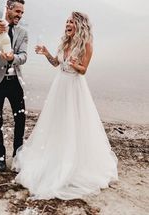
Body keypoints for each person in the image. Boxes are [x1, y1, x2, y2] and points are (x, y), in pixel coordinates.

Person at [12, 11, 118, 199]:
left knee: (74, 122)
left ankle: (73, 161)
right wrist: (46, 53)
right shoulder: (64, 42)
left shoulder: (86, 45)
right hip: (59, 86)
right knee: (56, 122)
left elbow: (83, 70)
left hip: (74, 87)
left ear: (80, 25)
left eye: (71, 22)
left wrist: (76, 65)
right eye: (67, 21)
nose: (67, 24)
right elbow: (56, 63)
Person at [0, 0, 28, 172]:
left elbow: (24, 56)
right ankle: (1, 156)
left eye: (22, 13)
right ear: (8, 8)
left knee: (21, 118)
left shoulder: (23, 32)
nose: (20, 15)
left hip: (15, 80)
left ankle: (17, 155)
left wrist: (13, 58)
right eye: (17, 11)